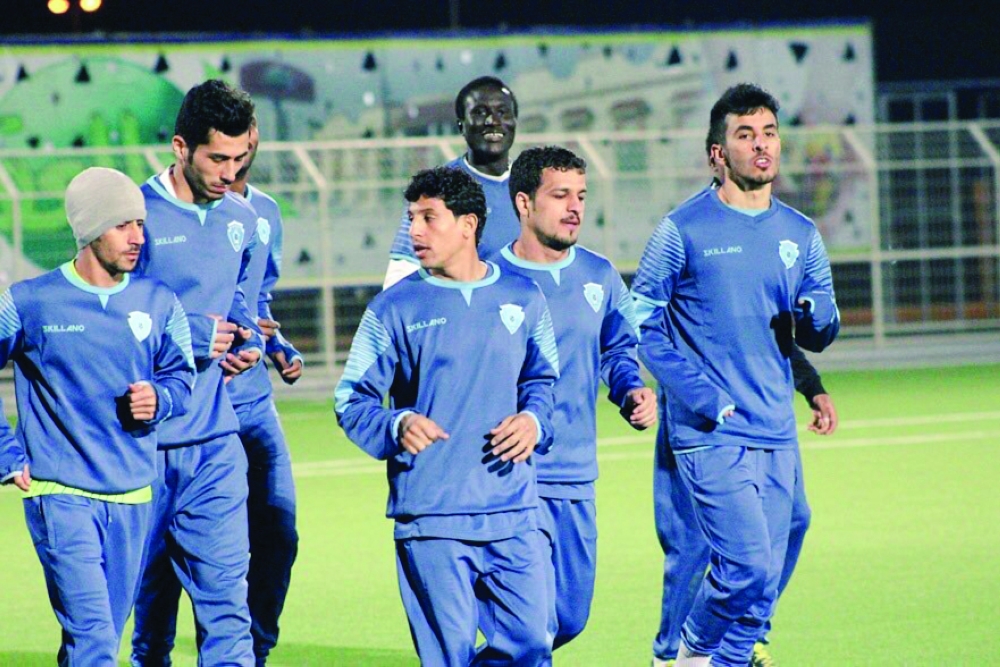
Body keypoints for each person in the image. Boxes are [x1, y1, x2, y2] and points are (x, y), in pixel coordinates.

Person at [631, 83, 839, 667]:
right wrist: (697, 393)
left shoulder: (800, 234)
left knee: (774, 556)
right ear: (717, 153)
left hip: (775, 425)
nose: (761, 145)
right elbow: (640, 323)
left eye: (769, 132)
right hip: (709, 430)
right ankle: (684, 656)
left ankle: (728, 656)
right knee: (739, 563)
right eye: (745, 135)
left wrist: (816, 335)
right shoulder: (682, 230)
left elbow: (814, 329)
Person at [336, 166, 559, 665]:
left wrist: (533, 421)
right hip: (432, 516)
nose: (414, 231)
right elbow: (351, 399)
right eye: (411, 218)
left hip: (513, 510)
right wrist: (396, 424)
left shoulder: (524, 297)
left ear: (468, 225)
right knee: (447, 657)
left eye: (428, 218)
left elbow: (543, 383)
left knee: (532, 643)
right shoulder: (392, 308)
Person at [0, 167, 195, 665]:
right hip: (60, 494)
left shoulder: (159, 301)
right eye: (122, 225)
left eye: (140, 224)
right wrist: (5, 449)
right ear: (90, 230)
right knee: (93, 639)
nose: (138, 237)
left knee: (98, 639)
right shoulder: (29, 302)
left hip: (133, 494)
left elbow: (182, 378)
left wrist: (160, 399)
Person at [130, 116, 303, 666]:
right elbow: (115, 320)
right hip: (148, 441)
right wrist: (192, 337)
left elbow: (242, 302)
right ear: (180, 147)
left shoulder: (245, 217)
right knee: (152, 599)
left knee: (231, 600)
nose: (231, 173)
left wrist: (248, 339)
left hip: (217, 434)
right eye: (218, 159)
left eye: (239, 159)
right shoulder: (135, 216)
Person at [491, 145, 657, 657]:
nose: (574, 208)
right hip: (511, 478)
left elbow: (618, 349)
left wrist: (631, 390)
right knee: (531, 627)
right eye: (560, 195)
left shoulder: (600, 275)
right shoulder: (490, 278)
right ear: (524, 203)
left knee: (568, 619)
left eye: (581, 196)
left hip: (576, 476)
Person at [384, 76, 520, 288]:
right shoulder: (435, 189)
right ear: (461, 125)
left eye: (502, 112)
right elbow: (399, 278)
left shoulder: (536, 185)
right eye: (480, 112)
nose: (493, 120)